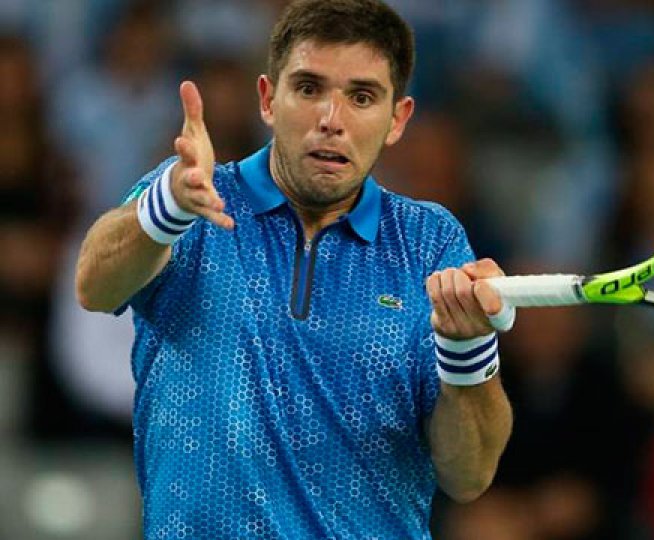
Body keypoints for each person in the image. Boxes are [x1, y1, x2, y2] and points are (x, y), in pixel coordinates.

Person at [73, 1, 514, 537]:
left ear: (398, 119)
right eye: (308, 89)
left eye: (362, 96)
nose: (331, 119)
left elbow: (469, 476)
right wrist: (165, 208)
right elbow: (94, 286)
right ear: (268, 99)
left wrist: (467, 352)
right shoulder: (195, 194)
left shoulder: (430, 241)